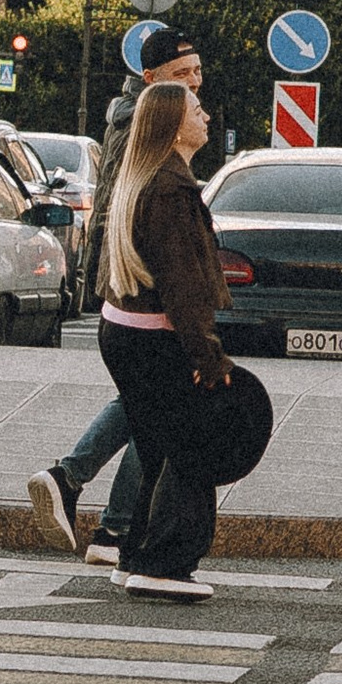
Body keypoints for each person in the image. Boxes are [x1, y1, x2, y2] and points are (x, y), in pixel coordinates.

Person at [90, 71, 268, 600]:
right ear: (173, 127)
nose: (206, 115)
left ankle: (134, 556)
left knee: (155, 446)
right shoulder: (171, 189)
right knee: (193, 448)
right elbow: (183, 288)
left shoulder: (147, 177)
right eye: (195, 111)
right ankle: (165, 565)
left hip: (124, 333)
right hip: (158, 339)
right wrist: (209, 360)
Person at [28, 29, 202, 566]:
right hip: (140, 294)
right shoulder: (144, 124)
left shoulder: (140, 118)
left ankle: (103, 520)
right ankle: (91, 502)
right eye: (182, 75)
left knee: (142, 408)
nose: (194, 84)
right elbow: (139, 218)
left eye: (197, 72)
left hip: (129, 295)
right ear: (151, 81)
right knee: (153, 413)